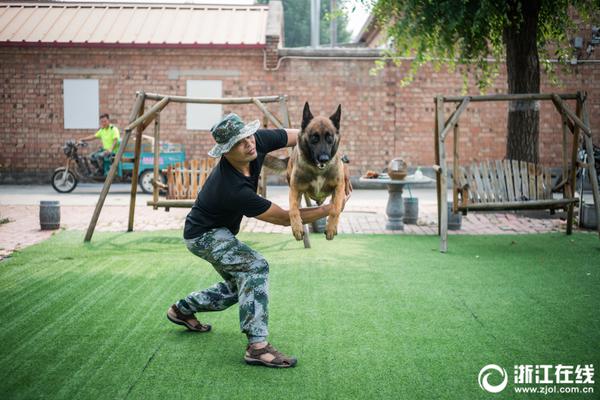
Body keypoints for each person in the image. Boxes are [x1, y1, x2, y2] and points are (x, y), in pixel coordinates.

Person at [166, 113, 351, 368]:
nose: (250, 143)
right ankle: (258, 347)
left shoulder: (257, 141)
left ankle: (181, 309)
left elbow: (304, 134)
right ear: (226, 151)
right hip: (203, 235)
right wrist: (329, 209)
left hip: (220, 230)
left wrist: (329, 148)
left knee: (239, 285)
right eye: (240, 142)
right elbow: (286, 218)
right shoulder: (231, 187)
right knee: (255, 266)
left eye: (249, 136)